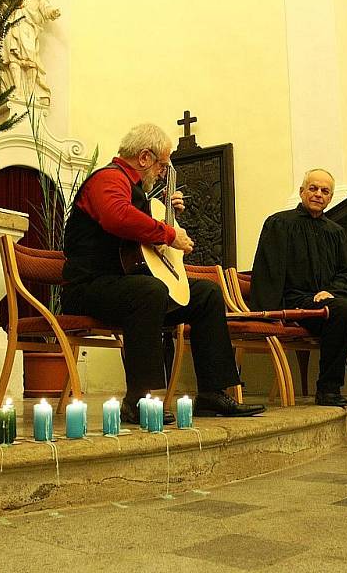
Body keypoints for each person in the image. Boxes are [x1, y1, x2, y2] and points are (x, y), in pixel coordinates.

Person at [62, 123, 265, 423]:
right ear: (144, 158)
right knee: (149, 291)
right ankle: (139, 400)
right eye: (162, 165)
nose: (162, 173)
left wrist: (163, 211)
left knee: (206, 294)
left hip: (128, 289)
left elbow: (134, 234)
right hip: (89, 288)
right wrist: (169, 233)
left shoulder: (136, 190)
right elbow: (117, 217)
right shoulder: (108, 178)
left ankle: (212, 393)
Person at [250, 168, 347, 446]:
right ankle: (327, 388)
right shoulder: (278, 223)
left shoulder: (336, 233)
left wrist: (331, 292)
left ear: (330, 197)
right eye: (313, 188)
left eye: (324, 191)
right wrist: (273, 314)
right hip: (295, 303)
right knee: (342, 309)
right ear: (302, 192)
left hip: (329, 306)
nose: (318, 194)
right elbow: (268, 271)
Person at [0, 0, 61, 105]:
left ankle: (30, 93)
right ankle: (17, 90)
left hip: (28, 28)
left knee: (31, 60)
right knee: (13, 58)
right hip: (12, 26)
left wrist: (53, 12)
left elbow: (46, 8)